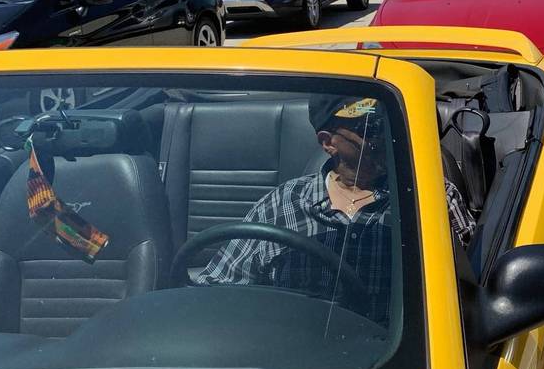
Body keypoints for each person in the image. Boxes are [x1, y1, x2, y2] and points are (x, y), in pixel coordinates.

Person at [196, 95, 476, 327]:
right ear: (328, 142)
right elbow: (217, 289)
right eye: (368, 128)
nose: (382, 136)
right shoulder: (281, 204)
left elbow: (472, 298)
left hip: (401, 362)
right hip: (294, 355)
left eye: (385, 124)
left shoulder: (431, 197)